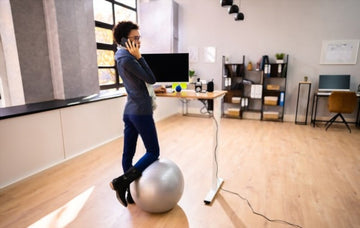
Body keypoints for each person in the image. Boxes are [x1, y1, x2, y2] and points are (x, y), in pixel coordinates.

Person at [110, 21, 160, 207]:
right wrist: (140, 57)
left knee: (128, 153)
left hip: (130, 110)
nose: (139, 41)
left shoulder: (120, 55)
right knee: (153, 152)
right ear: (125, 40)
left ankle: (129, 192)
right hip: (140, 111)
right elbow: (151, 78)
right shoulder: (129, 58)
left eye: (139, 37)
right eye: (135, 38)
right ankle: (122, 182)